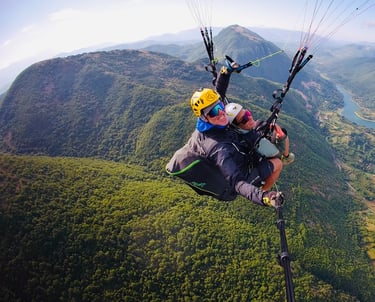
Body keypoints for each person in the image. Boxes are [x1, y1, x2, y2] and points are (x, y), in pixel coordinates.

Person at [166, 87, 283, 208]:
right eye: (213, 112)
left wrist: (226, 71)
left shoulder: (212, 124)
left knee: (259, 126)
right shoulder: (217, 148)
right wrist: (264, 197)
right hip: (236, 181)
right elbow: (237, 182)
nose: (221, 113)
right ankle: (263, 189)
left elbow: (219, 90)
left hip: (238, 157)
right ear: (203, 117)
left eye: (220, 106)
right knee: (278, 163)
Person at [225, 102, 295, 166]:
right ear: (236, 126)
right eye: (244, 120)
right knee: (283, 133)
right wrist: (281, 135)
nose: (249, 117)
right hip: (262, 158)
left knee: (259, 122)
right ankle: (286, 157)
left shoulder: (233, 132)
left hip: (251, 143)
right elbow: (278, 154)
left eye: (247, 113)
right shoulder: (256, 141)